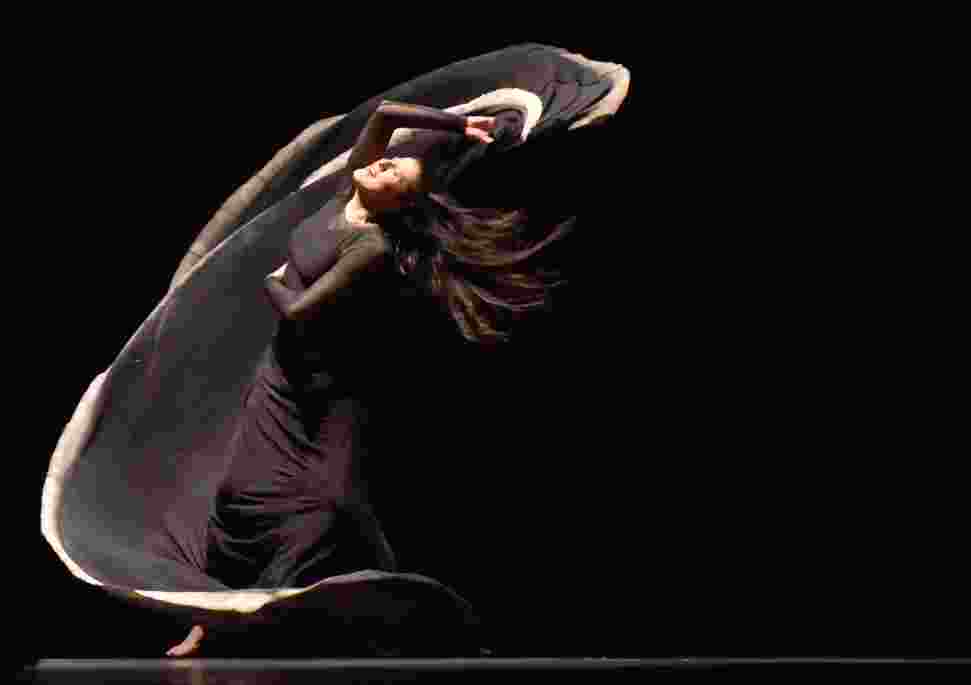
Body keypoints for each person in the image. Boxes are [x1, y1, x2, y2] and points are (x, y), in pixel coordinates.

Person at [42, 43, 629, 659]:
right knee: (235, 497)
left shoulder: (370, 245)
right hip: (281, 374)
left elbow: (300, 315)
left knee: (318, 505)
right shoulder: (353, 191)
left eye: (392, 176)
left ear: (396, 204)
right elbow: (386, 119)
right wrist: (458, 124)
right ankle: (213, 617)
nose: (380, 167)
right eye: (385, 165)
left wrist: (267, 284)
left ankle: (394, 618)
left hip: (317, 385)